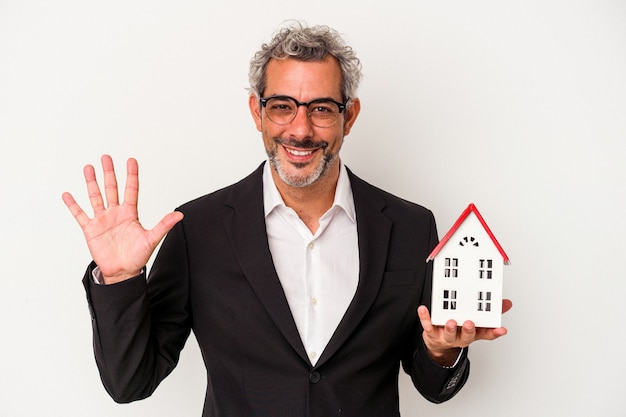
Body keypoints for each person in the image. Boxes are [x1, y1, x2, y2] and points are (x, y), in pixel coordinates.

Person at [62, 22, 511, 417]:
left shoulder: (411, 227)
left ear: (348, 117)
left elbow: (434, 387)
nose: (300, 130)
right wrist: (120, 280)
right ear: (258, 112)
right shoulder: (198, 230)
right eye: (282, 106)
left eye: (320, 108)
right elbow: (130, 383)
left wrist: (441, 352)